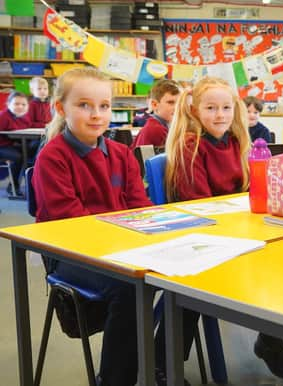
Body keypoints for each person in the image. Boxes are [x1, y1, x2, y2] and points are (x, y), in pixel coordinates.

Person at [31, 67, 189, 386]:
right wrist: (126, 236)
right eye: (84, 105)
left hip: (120, 247)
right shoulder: (53, 157)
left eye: (104, 106)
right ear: (62, 108)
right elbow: (73, 222)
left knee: (192, 272)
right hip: (71, 254)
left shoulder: (120, 153)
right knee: (129, 285)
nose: (96, 114)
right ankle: (116, 379)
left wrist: (156, 230)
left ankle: (161, 360)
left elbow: (140, 207)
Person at [164, 76, 283, 379]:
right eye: (211, 108)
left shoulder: (238, 142)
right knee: (193, 287)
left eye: (226, 107)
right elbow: (197, 205)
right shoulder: (192, 144)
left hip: (237, 231)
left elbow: (251, 191)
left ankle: (269, 338)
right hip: (201, 239)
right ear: (195, 110)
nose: (220, 115)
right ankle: (164, 364)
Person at [130, 79, 181, 148]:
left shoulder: (159, 125)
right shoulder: (156, 129)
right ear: (154, 105)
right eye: (170, 102)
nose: (176, 107)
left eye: (180, 102)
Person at [0, 90, 31, 194]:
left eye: (23, 104)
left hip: (12, 144)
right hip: (2, 146)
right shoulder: (3, 117)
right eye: (16, 104)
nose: (20, 107)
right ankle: (14, 186)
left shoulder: (24, 117)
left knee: (30, 153)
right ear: (8, 104)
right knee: (20, 157)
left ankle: (28, 185)